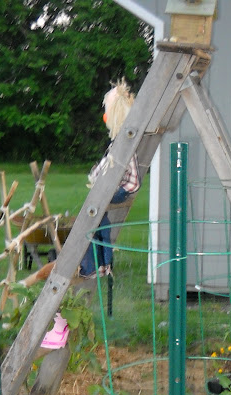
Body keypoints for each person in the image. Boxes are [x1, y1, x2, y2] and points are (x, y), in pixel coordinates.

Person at [39, 79, 139, 350]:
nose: (104, 116)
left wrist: (104, 186)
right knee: (85, 241)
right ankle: (63, 321)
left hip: (105, 197)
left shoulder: (121, 146)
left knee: (76, 256)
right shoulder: (121, 144)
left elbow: (125, 179)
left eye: (106, 111)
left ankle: (61, 324)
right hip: (104, 199)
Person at [79, 79, 140, 278]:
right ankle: (102, 264)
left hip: (119, 190)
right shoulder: (120, 142)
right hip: (117, 188)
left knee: (91, 222)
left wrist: (98, 177)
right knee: (99, 223)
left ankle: (92, 267)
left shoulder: (121, 144)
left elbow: (118, 171)